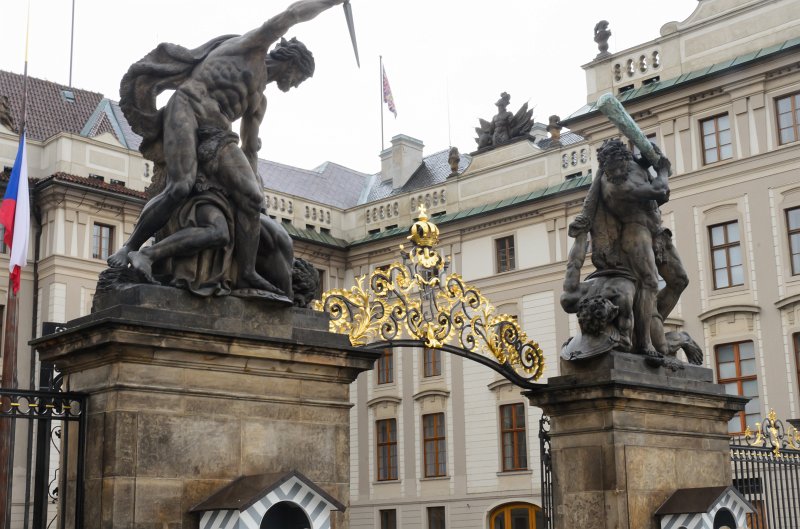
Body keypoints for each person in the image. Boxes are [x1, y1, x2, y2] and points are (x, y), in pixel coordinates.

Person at [109, 0, 345, 293]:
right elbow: (292, 14)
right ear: (292, 63)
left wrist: (256, 200)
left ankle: (246, 273)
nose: (295, 85)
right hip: (187, 107)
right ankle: (130, 248)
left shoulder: (259, 99)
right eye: (299, 78)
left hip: (217, 133)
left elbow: (249, 150)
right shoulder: (253, 47)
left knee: (250, 196)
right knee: (180, 186)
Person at [569, 139, 688, 358]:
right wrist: (662, 169)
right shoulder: (617, 187)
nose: (615, 172)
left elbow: (646, 174)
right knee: (650, 282)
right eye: (610, 169)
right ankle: (644, 342)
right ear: (604, 167)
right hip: (636, 232)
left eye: (618, 167)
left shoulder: (630, 163)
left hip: (656, 230)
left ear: (625, 159)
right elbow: (660, 190)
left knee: (680, 280)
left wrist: (646, 157)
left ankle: (652, 321)